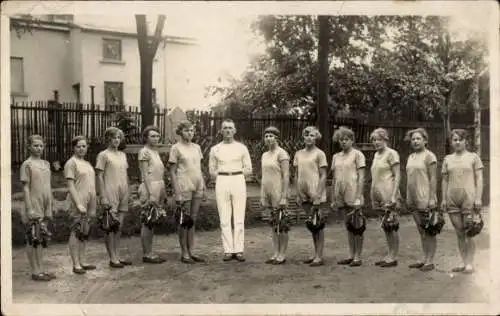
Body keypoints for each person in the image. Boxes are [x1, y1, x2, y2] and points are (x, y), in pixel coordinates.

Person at [208, 119, 252, 262]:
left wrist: (236, 173)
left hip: (238, 180)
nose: (227, 130)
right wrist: (223, 175)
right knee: (224, 216)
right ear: (221, 131)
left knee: (239, 216)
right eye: (225, 128)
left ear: (235, 130)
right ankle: (228, 250)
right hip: (222, 181)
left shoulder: (241, 148)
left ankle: (238, 250)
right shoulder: (215, 149)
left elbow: (249, 169)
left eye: (230, 128)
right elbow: (211, 170)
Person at [442, 129, 484, 274]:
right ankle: (462, 261)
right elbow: (445, 180)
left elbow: (479, 178)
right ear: (451, 142)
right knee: (459, 232)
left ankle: (469, 263)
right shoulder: (447, 159)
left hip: (469, 198)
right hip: (452, 198)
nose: (457, 142)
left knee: (469, 232)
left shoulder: (473, 157)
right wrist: (443, 198)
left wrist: (478, 197)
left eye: (460, 139)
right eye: (454, 139)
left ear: (466, 141)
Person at [168, 120, 207, 264]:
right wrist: (177, 192)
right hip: (184, 185)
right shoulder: (176, 148)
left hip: (197, 185)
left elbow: (198, 168)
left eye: (191, 130)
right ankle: (184, 252)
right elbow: (172, 172)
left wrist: (203, 186)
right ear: (180, 132)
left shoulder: (197, 147)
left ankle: (192, 250)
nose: (189, 133)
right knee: (184, 220)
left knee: (193, 219)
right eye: (186, 130)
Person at [95, 127, 132, 268]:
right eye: (113, 137)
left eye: (118, 137)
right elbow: (99, 175)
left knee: (119, 226)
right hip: (110, 191)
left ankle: (118, 255)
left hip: (123, 190)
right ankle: (112, 258)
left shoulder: (122, 155)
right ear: (108, 139)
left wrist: (128, 190)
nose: (116, 140)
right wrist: (102, 195)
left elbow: (125, 174)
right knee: (110, 225)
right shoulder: (103, 155)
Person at [20, 135, 55, 281]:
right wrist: (30, 209)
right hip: (33, 204)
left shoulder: (46, 164)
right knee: (33, 238)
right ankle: (35, 271)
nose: (39, 148)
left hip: (44, 203)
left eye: (41, 146)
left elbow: (48, 186)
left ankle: (41, 269)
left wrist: (50, 206)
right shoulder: (27, 165)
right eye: (35, 145)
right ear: (29, 147)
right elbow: (26, 188)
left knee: (41, 239)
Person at [330, 127, 366, 267]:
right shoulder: (336, 157)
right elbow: (334, 178)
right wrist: (333, 197)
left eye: (346, 139)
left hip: (353, 191)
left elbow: (361, 177)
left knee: (357, 225)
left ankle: (358, 256)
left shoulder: (357, 155)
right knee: (348, 225)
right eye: (341, 140)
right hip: (340, 192)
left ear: (352, 140)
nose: (343, 142)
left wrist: (358, 196)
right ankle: (351, 254)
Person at [293, 126, 328, 267]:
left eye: (312, 135)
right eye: (306, 135)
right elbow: (295, 174)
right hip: (303, 193)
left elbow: (324, 175)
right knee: (311, 225)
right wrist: (298, 192)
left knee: (318, 224)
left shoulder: (319, 154)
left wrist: (318, 195)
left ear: (316, 138)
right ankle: (315, 254)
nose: (309, 137)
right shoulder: (298, 154)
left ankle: (319, 256)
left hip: (315, 193)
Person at [405, 128, 439, 272]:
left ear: (425, 140)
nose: (415, 141)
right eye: (413, 139)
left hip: (425, 197)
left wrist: (432, 198)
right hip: (412, 197)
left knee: (429, 230)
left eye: (418, 138)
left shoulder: (429, 156)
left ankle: (430, 261)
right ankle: (424, 258)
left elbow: (433, 178)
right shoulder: (411, 157)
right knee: (421, 230)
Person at [64, 135, 97, 274]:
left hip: (90, 200)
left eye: (84, 146)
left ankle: (83, 261)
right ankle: (76, 264)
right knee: (76, 231)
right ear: (73, 147)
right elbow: (71, 186)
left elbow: (91, 185)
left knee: (84, 231)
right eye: (78, 146)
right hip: (78, 200)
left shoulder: (88, 164)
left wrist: (94, 204)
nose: (81, 149)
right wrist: (78, 203)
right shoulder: (71, 163)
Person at [370, 128, 401, 268]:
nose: (376, 142)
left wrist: (394, 195)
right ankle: (389, 254)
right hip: (378, 192)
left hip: (389, 192)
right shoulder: (376, 155)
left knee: (392, 225)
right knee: (385, 225)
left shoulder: (392, 154)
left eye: (379, 139)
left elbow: (397, 175)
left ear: (386, 140)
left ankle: (393, 257)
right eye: (374, 140)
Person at [260, 126, 290, 265]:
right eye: (266, 136)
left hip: (279, 192)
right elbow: (264, 177)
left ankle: (282, 254)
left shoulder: (282, 153)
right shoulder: (264, 155)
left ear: (277, 138)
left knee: (281, 224)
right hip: (268, 192)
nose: (268, 138)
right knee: (273, 224)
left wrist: (284, 196)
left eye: (271, 136)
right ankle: (275, 252)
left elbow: (286, 175)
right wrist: (262, 195)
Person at [138, 125, 167, 264]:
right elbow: (145, 175)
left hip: (159, 185)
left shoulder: (155, 152)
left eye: (157, 136)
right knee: (147, 220)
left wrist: (163, 191)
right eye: (152, 136)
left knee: (153, 221)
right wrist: (151, 194)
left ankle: (150, 252)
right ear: (146, 138)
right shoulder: (144, 152)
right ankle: (147, 254)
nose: (155, 138)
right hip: (150, 187)